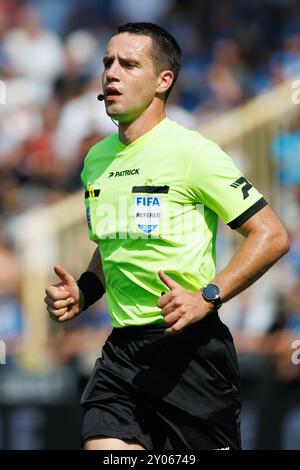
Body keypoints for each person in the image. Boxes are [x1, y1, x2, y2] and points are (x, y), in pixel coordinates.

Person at [44, 22, 290, 450]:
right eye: (107, 63)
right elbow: (113, 245)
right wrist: (83, 292)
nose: (111, 73)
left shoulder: (193, 152)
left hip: (190, 354)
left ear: (164, 80)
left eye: (128, 64)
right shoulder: (95, 160)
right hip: (122, 353)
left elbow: (271, 234)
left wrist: (208, 295)